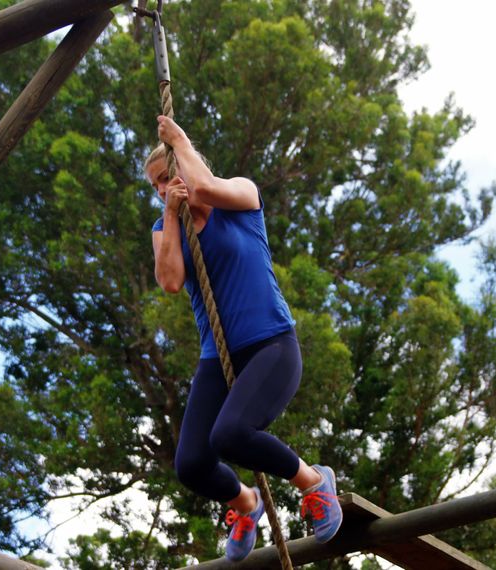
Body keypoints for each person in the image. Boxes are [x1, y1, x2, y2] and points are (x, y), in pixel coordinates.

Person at [148, 115, 343, 561]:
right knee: (192, 464)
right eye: (155, 186)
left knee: (232, 433)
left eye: (166, 178)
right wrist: (170, 214)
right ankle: (245, 503)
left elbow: (204, 187)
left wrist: (176, 138)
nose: (162, 189)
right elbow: (172, 281)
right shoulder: (164, 228)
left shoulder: (241, 196)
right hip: (217, 359)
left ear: (186, 165)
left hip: (272, 344)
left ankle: (314, 482)